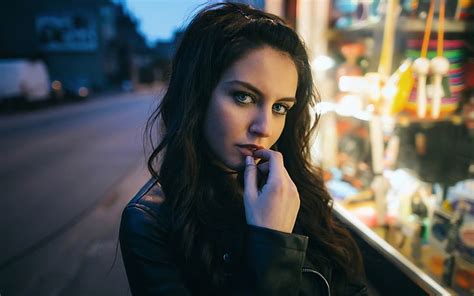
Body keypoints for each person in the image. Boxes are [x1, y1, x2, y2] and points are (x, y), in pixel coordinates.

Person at [119, 3, 368, 295]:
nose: (264, 127)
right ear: (197, 96)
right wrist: (272, 245)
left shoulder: (294, 187)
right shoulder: (150, 221)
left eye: (280, 107)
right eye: (244, 97)